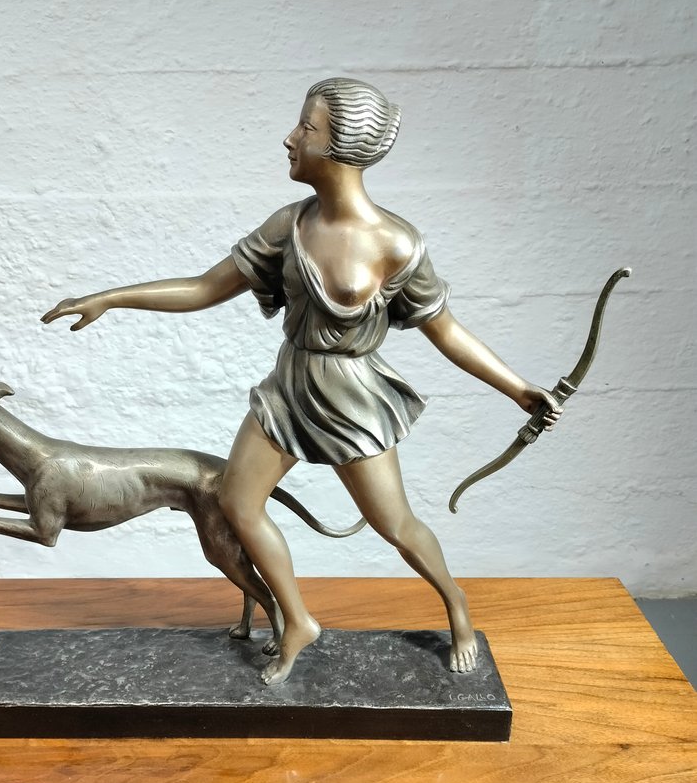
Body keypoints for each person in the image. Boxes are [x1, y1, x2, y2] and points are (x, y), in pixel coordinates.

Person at [42, 78, 560, 684]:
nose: (290, 139)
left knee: (396, 526)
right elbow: (204, 288)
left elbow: (446, 332)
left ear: (340, 145)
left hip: (352, 399)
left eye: (306, 128)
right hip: (288, 389)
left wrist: (519, 389)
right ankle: (297, 620)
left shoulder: (397, 244)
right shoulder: (288, 224)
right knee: (237, 502)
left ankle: (457, 606)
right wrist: (111, 297)